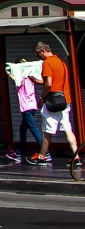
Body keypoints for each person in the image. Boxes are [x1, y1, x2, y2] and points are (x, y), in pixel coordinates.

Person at [33, 41, 80, 173]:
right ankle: (76, 156)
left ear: (42, 51)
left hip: (52, 101)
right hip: (65, 100)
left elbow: (48, 83)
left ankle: (42, 156)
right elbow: (55, 81)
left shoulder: (47, 63)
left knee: (47, 129)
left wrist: (42, 98)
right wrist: (36, 81)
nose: (39, 57)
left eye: (38, 54)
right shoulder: (61, 63)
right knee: (67, 128)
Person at [13, 64, 44, 163]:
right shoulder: (31, 78)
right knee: (22, 128)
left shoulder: (20, 78)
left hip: (26, 107)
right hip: (32, 106)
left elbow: (16, 82)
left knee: (33, 128)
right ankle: (19, 151)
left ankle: (46, 152)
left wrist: (9, 73)